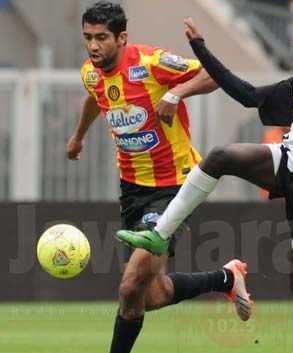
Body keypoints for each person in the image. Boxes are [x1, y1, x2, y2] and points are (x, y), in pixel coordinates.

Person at [116, 6, 293, 353]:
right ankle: (160, 235)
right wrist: (203, 50)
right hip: (289, 161)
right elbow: (248, 95)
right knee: (220, 156)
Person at [67, 3, 251, 353]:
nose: (93, 46)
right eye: (88, 38)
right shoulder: (91, 73)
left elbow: (213, 73)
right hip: (133, 189)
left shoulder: (151, 62)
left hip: (175, 186)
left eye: (101, 38)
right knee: (148, 295)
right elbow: (96, 96)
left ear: (121, 38)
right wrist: (79, 136)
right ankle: (226, 277)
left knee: (129, 286)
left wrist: (176, 92)